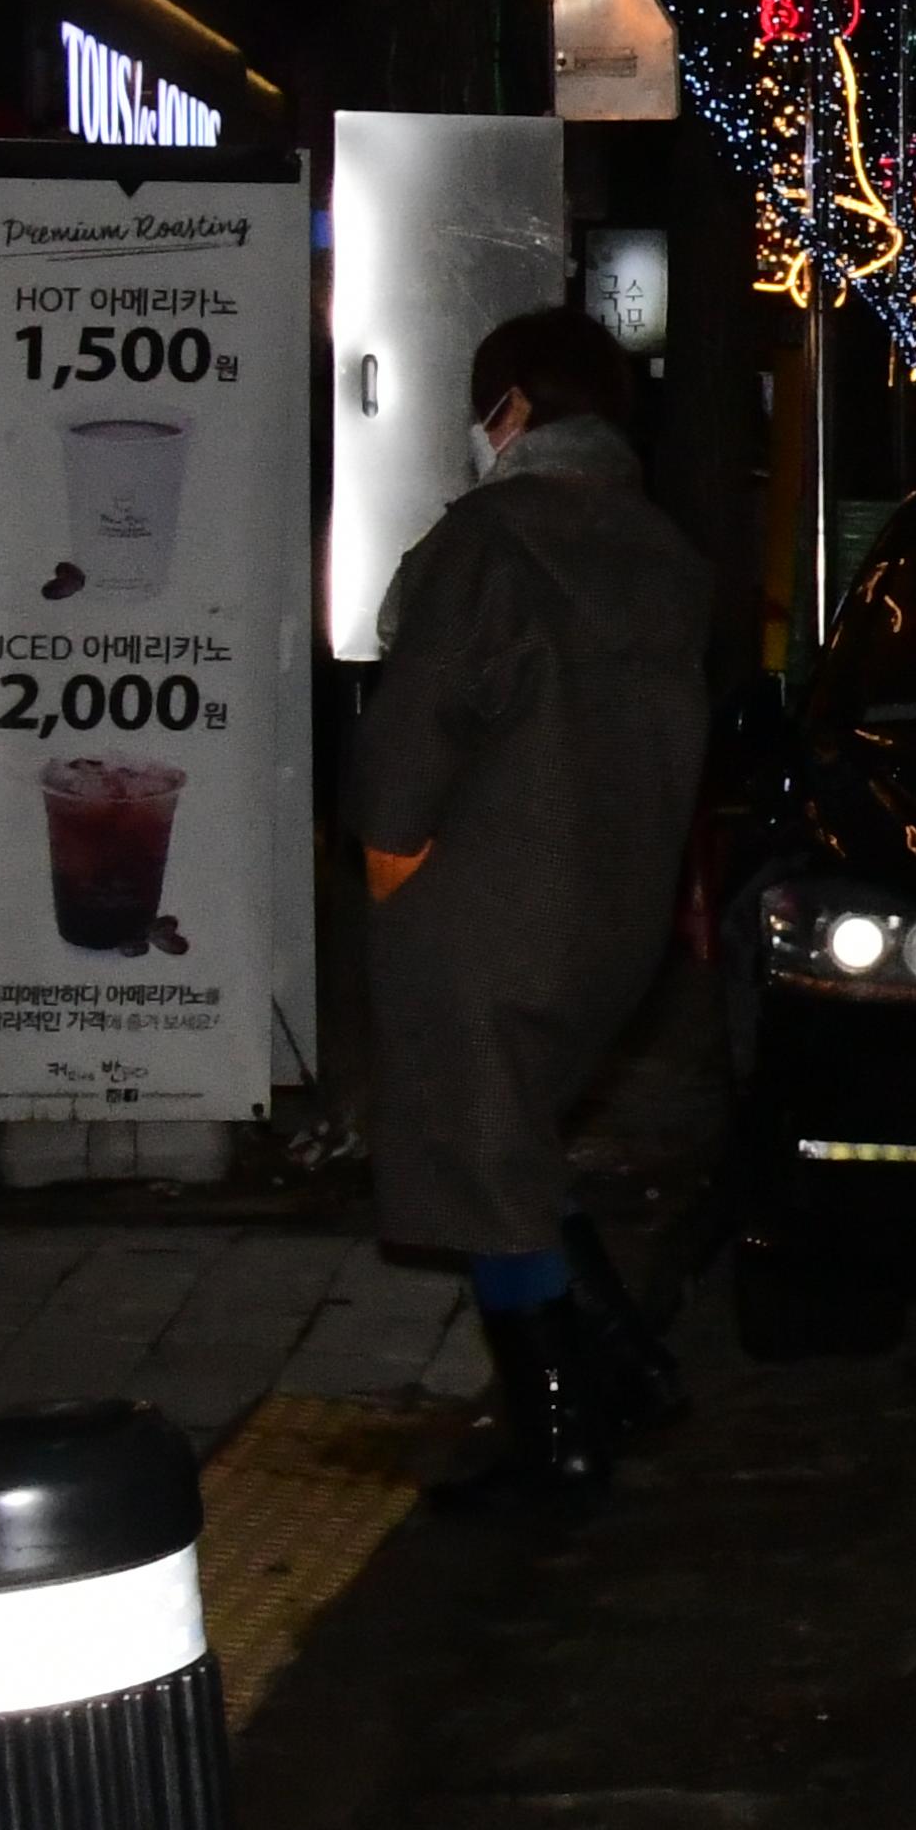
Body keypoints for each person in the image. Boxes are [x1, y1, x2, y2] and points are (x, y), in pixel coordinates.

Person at [353, 304, 714, 1505]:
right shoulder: (658, 547)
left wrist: (391, 853)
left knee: (482, 1167)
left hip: (488, 902)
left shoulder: (492, 542)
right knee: (515, 1142)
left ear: (508, 407)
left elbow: (419, 727)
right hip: (611, 909)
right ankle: (629, 1365)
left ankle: (556, 1433)